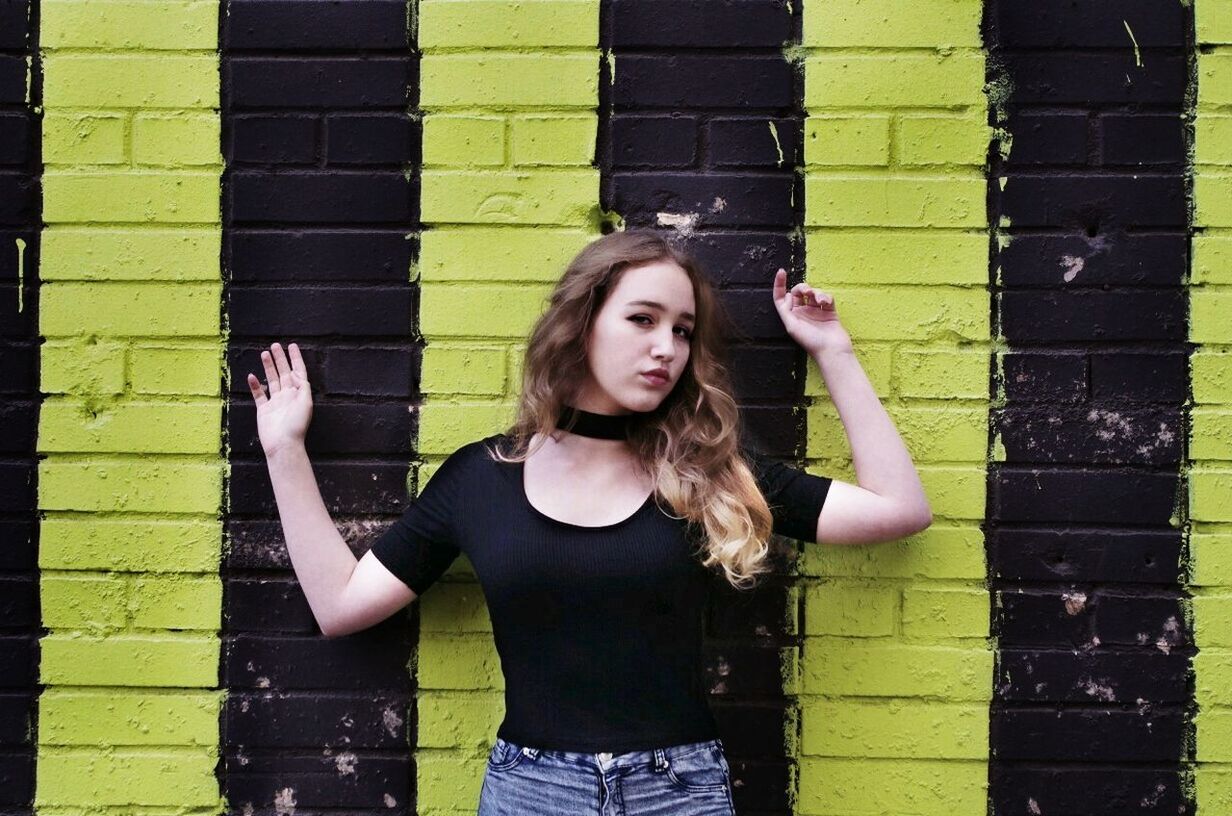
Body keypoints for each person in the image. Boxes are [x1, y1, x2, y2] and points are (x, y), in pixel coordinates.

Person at [246, 229, 931, 815]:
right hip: (532, 791)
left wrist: (831, 350)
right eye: (643, 319)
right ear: (582, 322)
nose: (667, 347)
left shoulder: (710, 470)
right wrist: (283, 449)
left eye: (683, 331)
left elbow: (899, 510)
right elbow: (340, 604)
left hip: (680, 791)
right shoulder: (480, 479)